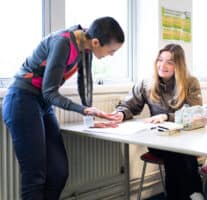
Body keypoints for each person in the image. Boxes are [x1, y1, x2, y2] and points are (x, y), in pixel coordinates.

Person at [2, 16, 124, 200]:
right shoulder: (63, 43)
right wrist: (83, 110)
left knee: (59, 172)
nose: (112, 55)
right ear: (97, 42)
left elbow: (85, 84)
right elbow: (50, 92)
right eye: (112, 50)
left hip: (42, 102)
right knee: (35, 176)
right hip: (22, 100)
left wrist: (90, 117)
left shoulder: (86, 45)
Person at [109, 44, 206, 200]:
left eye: (170, 62)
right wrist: (120, 113)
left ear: (179, 65)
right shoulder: (147, 82)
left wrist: (168, 117)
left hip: (186, 140)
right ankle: (194, 192)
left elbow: (194, 112)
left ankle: (183, 195)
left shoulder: (190, 82)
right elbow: (129, 105)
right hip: (160, 140)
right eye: (160, 60)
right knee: (175, 153)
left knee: (179, 153)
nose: (163, 65)